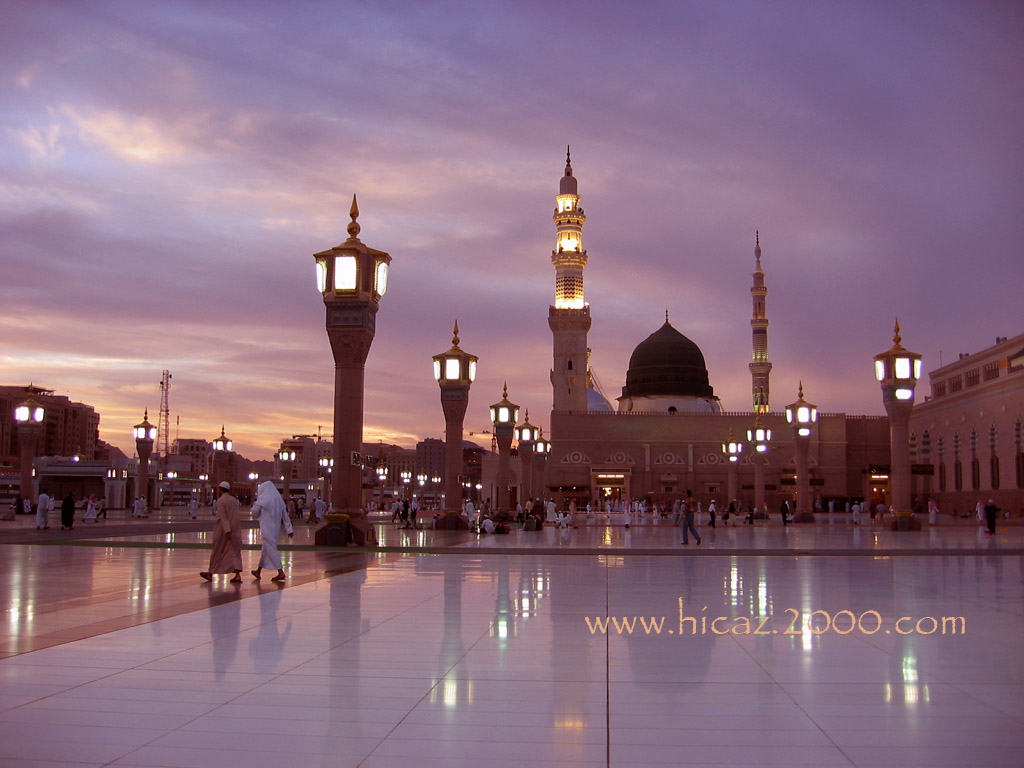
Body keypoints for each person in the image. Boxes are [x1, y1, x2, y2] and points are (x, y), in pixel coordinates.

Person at [250, 481, 294, 582]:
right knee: (266, 549)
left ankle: (280, 572)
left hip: (266, 528)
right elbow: (285, 516)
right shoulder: (278, 499)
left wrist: (254, 505)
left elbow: (255, 513)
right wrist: (289, 530)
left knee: (270, 549)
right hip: (275, 529)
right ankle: (258, 570)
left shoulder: (263, 499)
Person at [200, 481, 242, 583]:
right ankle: (237, 575)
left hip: (224, 530)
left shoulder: (221, 501)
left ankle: (210, 573)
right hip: (235, 529)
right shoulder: (234, 500)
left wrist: (227, 531)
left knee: (217, 551)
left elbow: (223, 517)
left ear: (221, 489)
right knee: (234, 552)